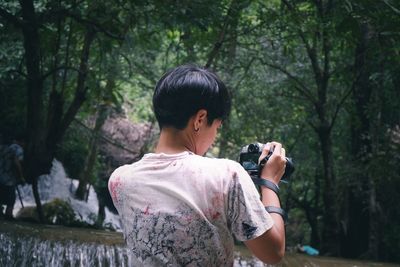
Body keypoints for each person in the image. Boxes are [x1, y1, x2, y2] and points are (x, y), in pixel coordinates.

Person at [108, 64, 286, 266]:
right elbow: (274, 252)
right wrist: (269, 183)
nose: (214, 137)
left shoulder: (120, 180)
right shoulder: (227, 176)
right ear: (200, 119)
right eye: (217, 127)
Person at [0, 136, 25, 220]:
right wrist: (21, 177)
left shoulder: (2, 148)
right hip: (8, 179)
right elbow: (17, 162)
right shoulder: (17, 149)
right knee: (11, 200)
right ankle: (8, 216)